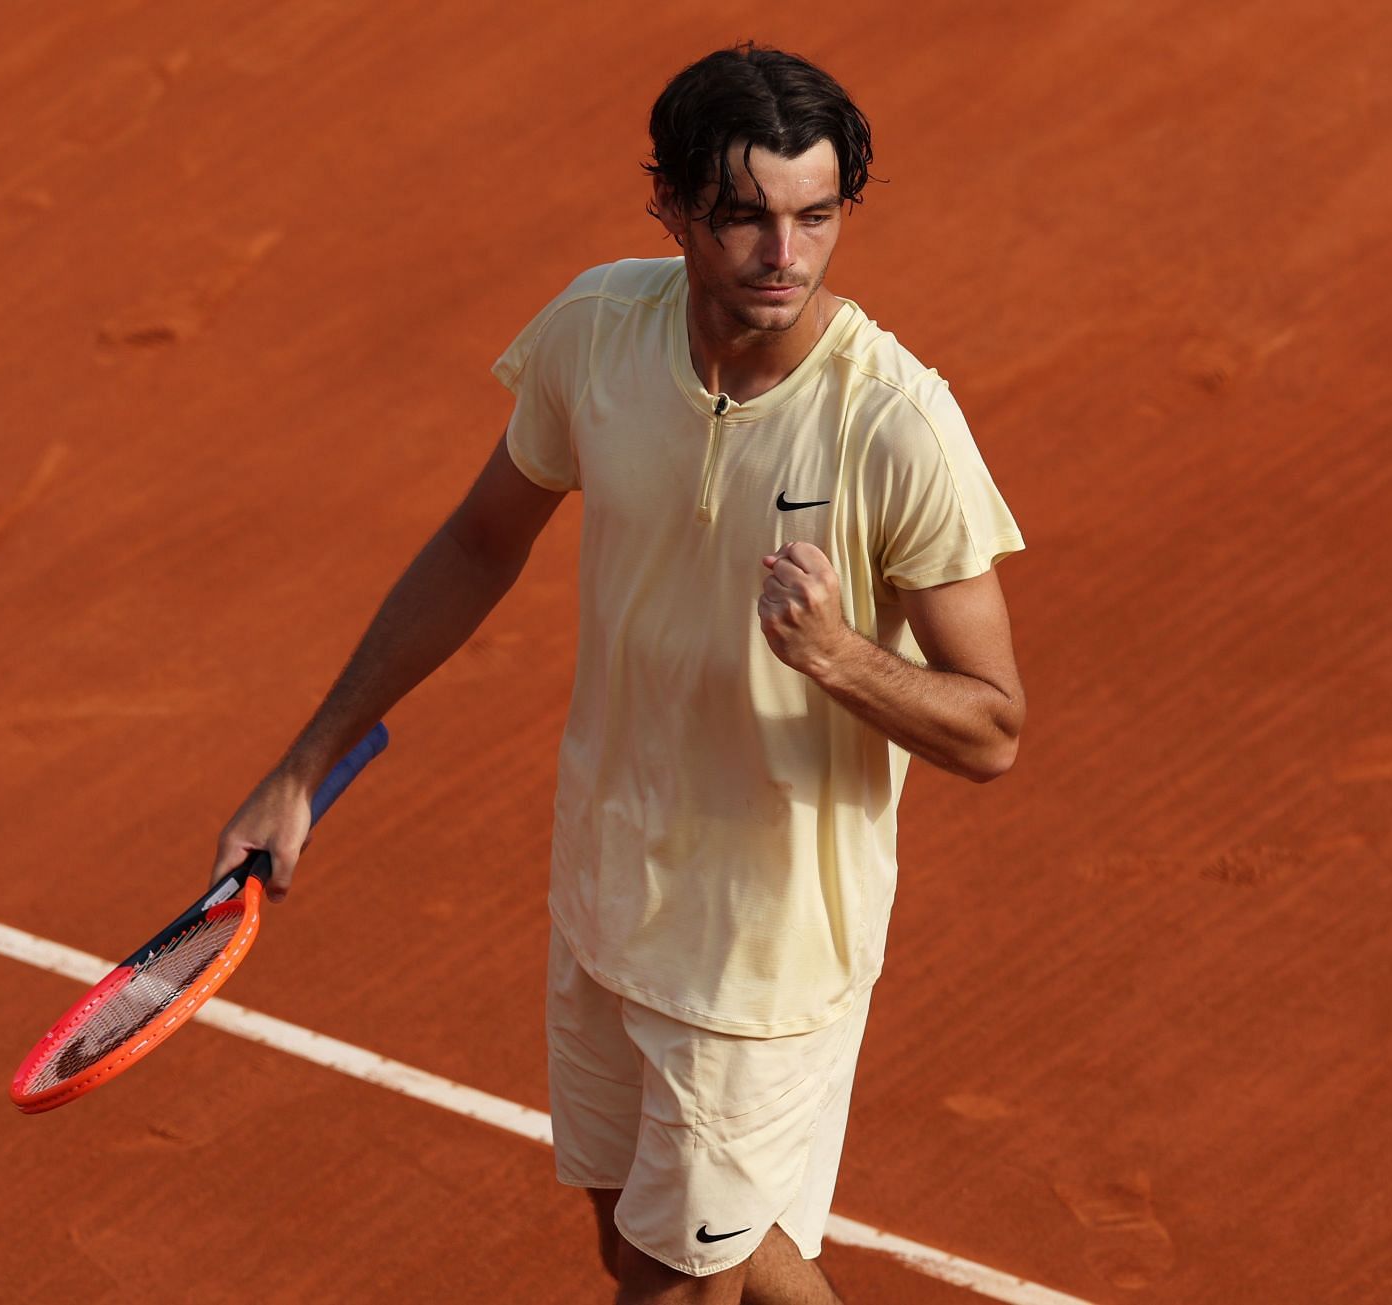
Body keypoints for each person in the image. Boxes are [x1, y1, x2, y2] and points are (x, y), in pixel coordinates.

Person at [211, 42, 1025, 1304]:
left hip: (766, 944)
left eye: (816, 218)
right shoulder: (598, 333)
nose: (784, 256)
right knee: (664, 1241)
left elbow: (991, 729)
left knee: (674, 1275)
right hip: (609, 883)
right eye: (745, 215)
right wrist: (304, 766)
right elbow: (481, 541)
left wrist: (839, 656)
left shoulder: (893, 426)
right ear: (671, 206)